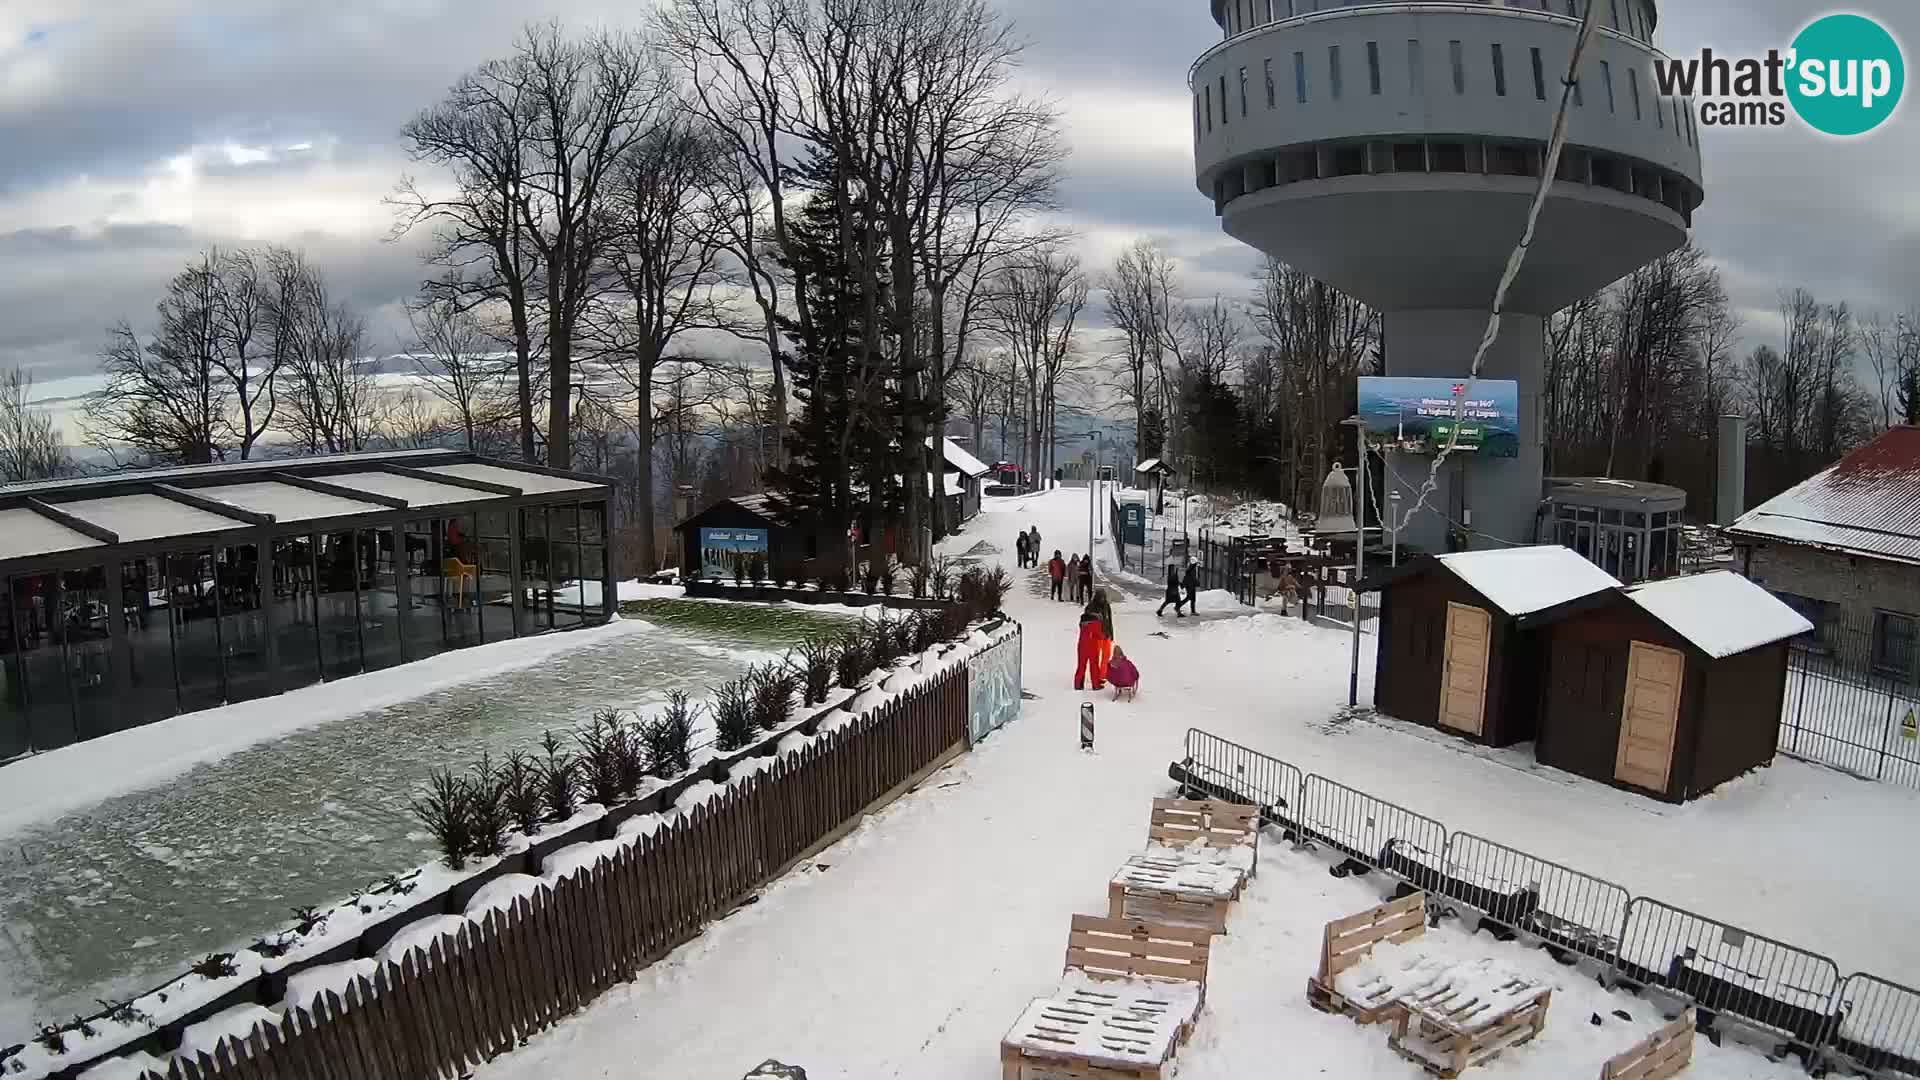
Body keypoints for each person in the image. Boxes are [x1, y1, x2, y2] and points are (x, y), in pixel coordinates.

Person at [1074, 597, 1109, 691]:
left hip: (1081, 645)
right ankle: (1095, 685)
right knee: (1094, 665)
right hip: (1092, 646)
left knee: (1081, 665)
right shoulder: (1096, 623)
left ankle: (1078, 684)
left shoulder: (1083, 621)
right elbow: (1099, 635)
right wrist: (1105, 635)